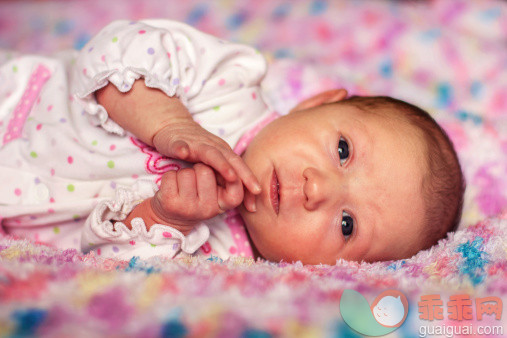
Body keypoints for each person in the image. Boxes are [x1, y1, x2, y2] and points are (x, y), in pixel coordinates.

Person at [0, 19, 465, 265]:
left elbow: (109, 265)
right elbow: (116, 48)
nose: (319, 188)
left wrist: (163, 218)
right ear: (315, 103)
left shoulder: (220, 259)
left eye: (347, 225)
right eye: (341, 151)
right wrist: (171, 125)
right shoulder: (229, 86)